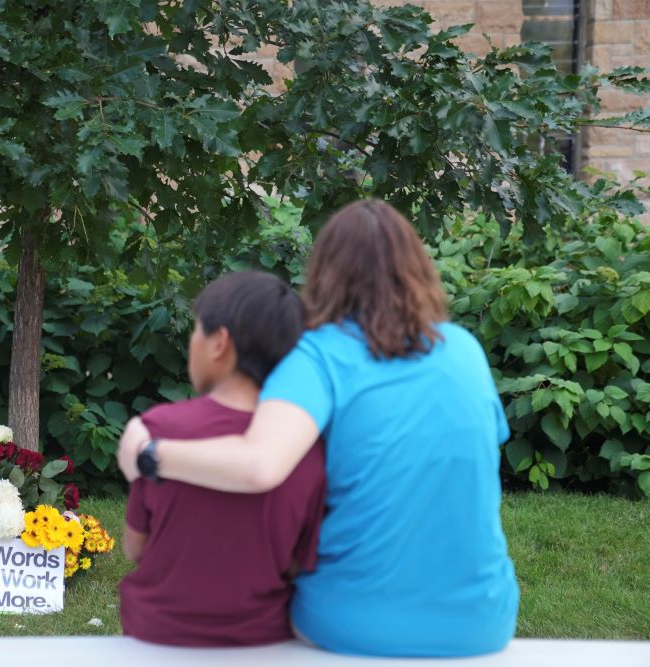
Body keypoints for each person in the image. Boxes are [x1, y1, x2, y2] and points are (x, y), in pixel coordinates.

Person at [117, 200, 519, 657]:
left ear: (326, 271)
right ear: (418, 266)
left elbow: (260, 465)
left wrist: (151, 455)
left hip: (351, 622)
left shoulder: (317, 356)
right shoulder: (463, 349)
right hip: (482, 623)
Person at [119, 271, 326, 647]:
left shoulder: (158, 428)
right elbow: (299, 562)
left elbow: (135, 547)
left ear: (219, 343)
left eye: (196, 330)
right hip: (262, 639)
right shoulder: (307, 449)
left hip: (157, 635)